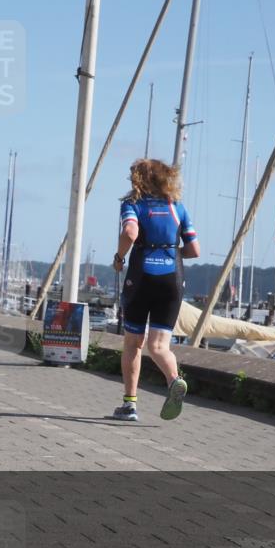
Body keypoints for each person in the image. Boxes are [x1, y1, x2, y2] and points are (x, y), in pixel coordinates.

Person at [111, 158, 200, 422]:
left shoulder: (133, 204)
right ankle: (174, 380)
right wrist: (170, 253)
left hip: (142, 277)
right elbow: (194, 250)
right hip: (173, 278)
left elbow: (130, 233)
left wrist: (119, 258)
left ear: (139, 179)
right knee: (159, 346)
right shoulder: (178, 207)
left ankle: (129, 405)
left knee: (133, 343)